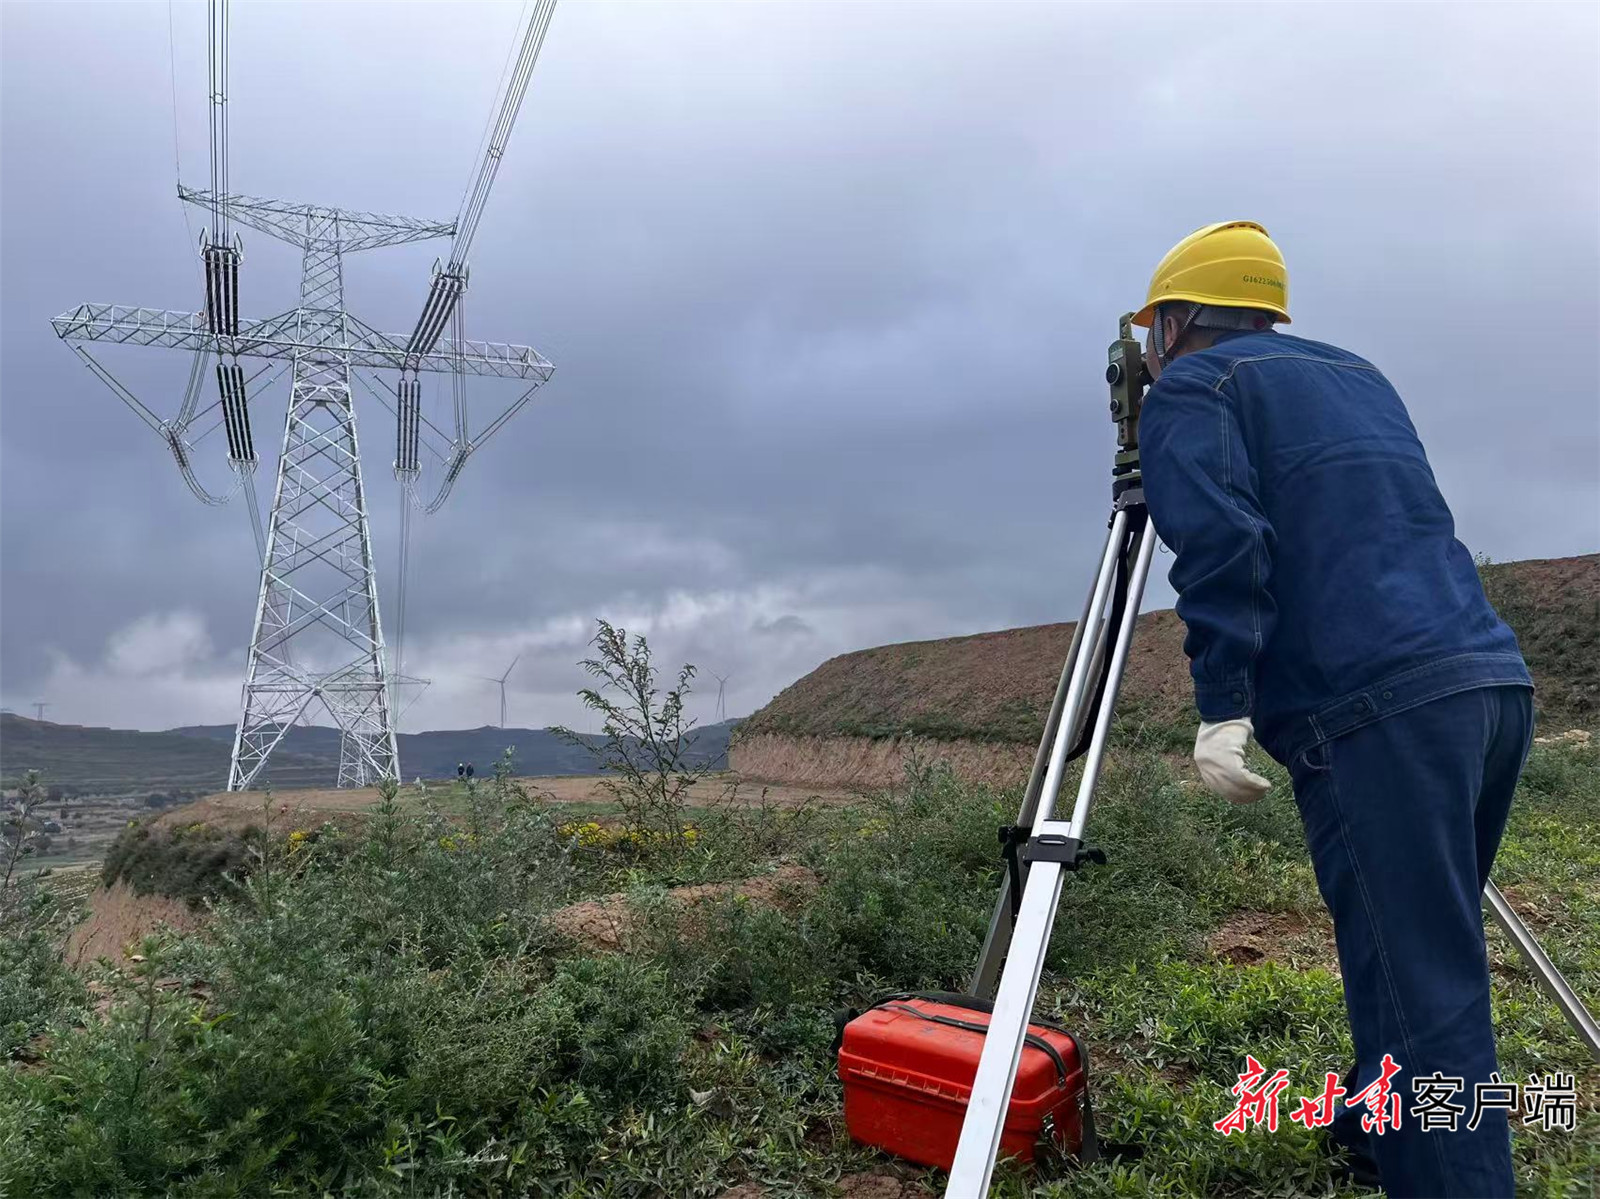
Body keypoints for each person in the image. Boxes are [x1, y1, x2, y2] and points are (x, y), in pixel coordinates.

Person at [1133, 222, 1533, 1199]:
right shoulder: (1356, 373)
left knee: (1426, 996)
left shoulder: (1197, 387)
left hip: (1376, 710)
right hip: (1487, 686)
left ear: (1179, 319)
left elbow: (1223, 540)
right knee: (1413, 958)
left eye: (1154, 331)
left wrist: (1220, 701)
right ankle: (1374, 1126)